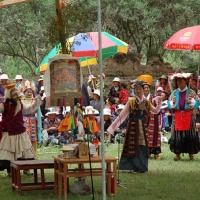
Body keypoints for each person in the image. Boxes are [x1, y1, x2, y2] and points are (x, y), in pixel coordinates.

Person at [107, 80, 161, 173]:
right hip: (133, 125)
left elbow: (155, 111)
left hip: (143, 126)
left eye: (140, 89)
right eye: (136, 89)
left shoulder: (147, 102)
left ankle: (142, 167)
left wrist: (159, 102)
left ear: (143, 90)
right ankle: (129, 166)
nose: (138, 91)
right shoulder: (131, 101)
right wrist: (113, 127)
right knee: (132, 145)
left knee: (143, 145)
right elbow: (122, 115)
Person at [0, 83, 41, 176]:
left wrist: (37, 103)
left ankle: (26, 169)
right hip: (9, 132)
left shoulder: (20, 105)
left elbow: (28, 110)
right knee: (9, 151)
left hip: (20, 131)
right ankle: (10, 170)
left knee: (24, 151)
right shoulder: (4, 105)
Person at [168, 72, 199, 161]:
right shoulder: (174, 93)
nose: (179, 83)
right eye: (177, 81)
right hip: (177, 116)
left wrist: (190, 103)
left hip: (188, 116)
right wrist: (172, 103)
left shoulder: (191, 92)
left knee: (190, 135)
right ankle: (177, 154)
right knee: (177, 135)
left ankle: (191, 154)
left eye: (181, 81)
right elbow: (169, 104)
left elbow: (197, 103)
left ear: (185, 82)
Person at [21, 80, 42, 155]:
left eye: (30, 92)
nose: (29, 93)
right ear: (24, 93)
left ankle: (33, 153)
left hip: (32, 120)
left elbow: (37, 111)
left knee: (32, 137)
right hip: (24, 120)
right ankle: (24, 153)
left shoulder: (34, 101)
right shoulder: (21, 101)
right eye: (27, 92)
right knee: (24, 137)